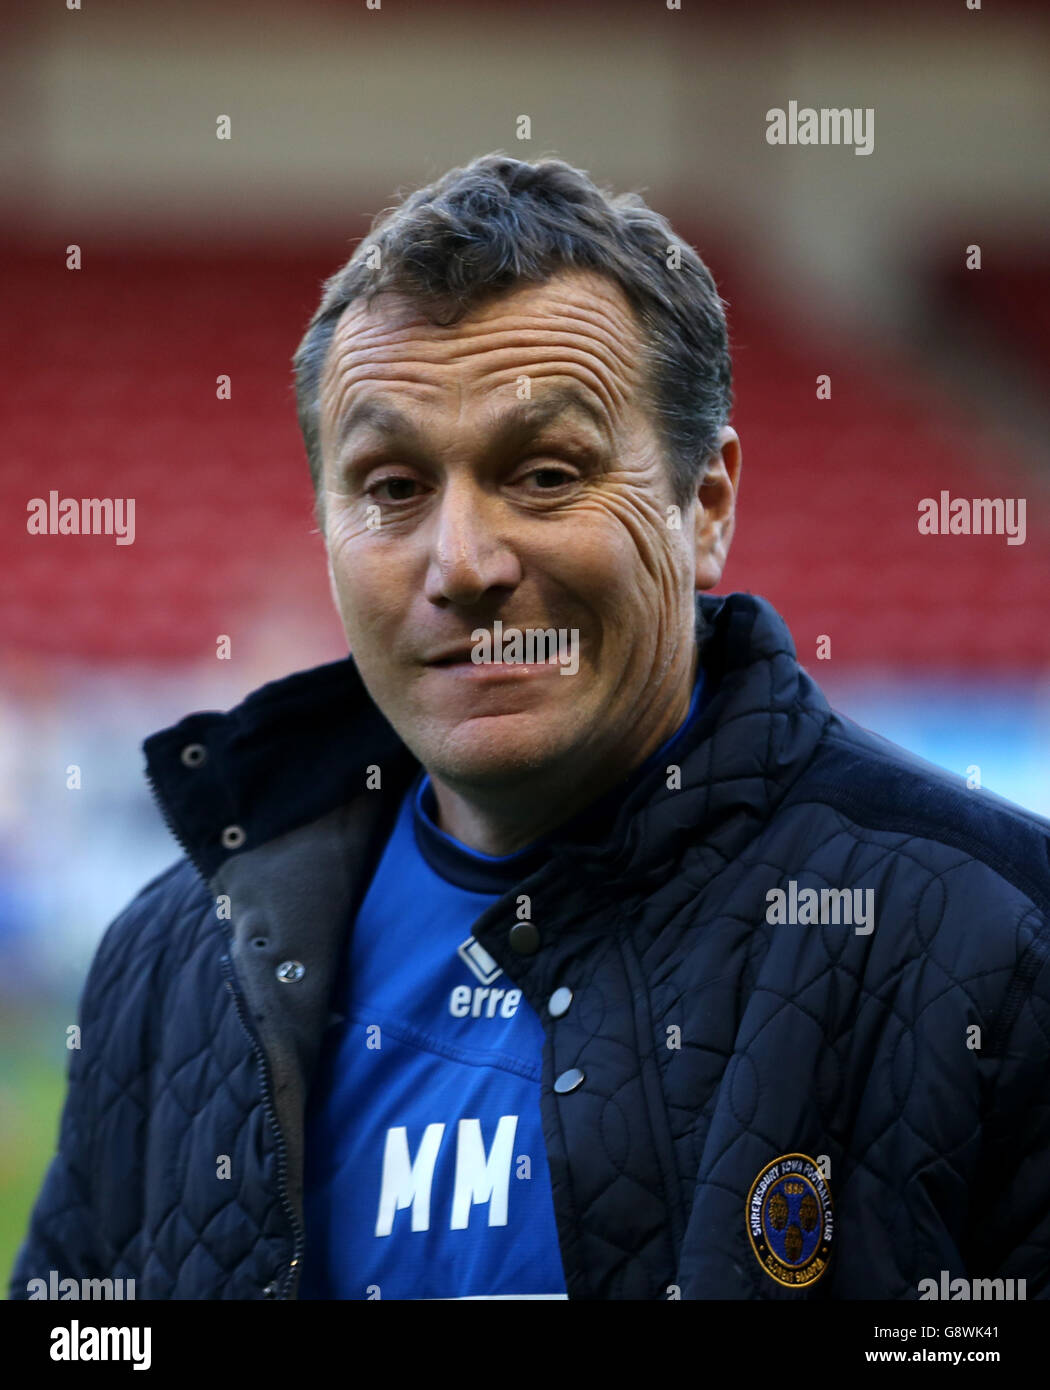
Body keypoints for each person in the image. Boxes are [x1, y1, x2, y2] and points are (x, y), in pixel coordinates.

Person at [11, 154, 1050, 1301]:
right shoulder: (175, 963)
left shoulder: (995, 939)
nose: (462, 564)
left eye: (547, 474)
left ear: (706, 503)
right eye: (393, 486)